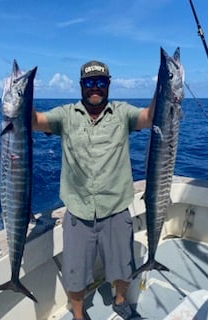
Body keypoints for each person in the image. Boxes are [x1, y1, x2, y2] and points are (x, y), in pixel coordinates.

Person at [32, 60, 156, 320]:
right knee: (75, 275)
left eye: (101, 82)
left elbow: (150, 117)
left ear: (108, 85)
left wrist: (166, 87)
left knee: (123, 268)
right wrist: (18, 99)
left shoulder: (122, 113)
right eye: (89, 83)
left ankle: (120, 302)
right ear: (81, 86)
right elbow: (35, 121)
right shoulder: (65, 115)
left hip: (116, 209)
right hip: (78, 212)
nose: (95, 88)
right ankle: (78, 315)